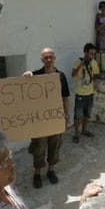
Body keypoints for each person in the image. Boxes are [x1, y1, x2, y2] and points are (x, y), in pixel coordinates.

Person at [22, 47, 70, 189]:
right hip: (40, 121)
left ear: (54, 58)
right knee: (39, 146)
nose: (48, 60)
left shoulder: (61, 76)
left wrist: (66, 116)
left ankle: (51, 170)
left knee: (55, 145)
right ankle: (37, 173)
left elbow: (65, 98)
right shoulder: (35, 75)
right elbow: (23, 90)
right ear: (42, 60)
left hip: (56, 118)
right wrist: (26, 76)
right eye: (45, 58)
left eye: (51, 57)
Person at [71, 43, 99, 143]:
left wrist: (95, 82)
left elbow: (96, 74)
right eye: (91, 54)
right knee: (78, 116)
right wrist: (80, 66)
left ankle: (84, 130)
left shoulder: (94, 62)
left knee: (87, 114)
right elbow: (73, 74)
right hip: (80, 94)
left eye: (94, 54)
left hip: (90, 94)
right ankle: (76, 134)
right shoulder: (77, 62)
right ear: (85, 52)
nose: (92, 56)